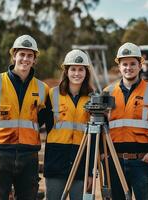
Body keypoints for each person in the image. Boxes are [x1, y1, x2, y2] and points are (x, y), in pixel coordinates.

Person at [0, 34, 50, 200]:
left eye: (30, 55)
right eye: (22, 54)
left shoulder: (43, 88)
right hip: (0, 155)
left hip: (29, 156)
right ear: (14, 55)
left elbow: (42, 118)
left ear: (34, 59)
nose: (25, 59)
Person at [104, 42, 148, 199]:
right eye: (124, 64)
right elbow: (102, 127)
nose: (128, 68)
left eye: (132, 64)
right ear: (119, 67)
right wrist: (103, 155)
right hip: (114, 162)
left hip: (141, 161)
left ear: (140, 65)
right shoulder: (108, 92)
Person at [44, 49, 94, 200]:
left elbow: (95, 138)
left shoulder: (93, 98)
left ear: (86, 72)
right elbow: (46, 125)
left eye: (80, 69)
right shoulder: (52, 95)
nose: (77, 73)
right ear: (66, 71)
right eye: (73, 69)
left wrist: (91, 171)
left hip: (81, 162)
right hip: (56, 161)